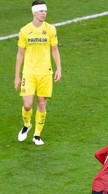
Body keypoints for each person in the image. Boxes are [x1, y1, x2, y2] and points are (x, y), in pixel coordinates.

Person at [15, 1, 61, 146]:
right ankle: (27, 124)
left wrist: (59, 68)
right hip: (28, 73)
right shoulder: (24, 31)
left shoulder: (51, 29)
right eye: (41, 11)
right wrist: (17, 76)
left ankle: (37, 134)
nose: (44, 13)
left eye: (45, 11)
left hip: (45, 73)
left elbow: (54, 50)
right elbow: (20, 54)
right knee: (27, 105)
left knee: (41, 104)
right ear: (34, 12)